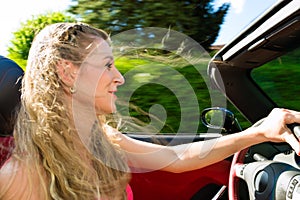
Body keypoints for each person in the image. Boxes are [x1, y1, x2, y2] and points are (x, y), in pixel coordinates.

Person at [0, 22, 300, 200]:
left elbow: (177, 158)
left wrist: (258, 132)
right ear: (67, 72)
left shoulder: (102, 139)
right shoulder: (19, 176)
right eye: (107, 65)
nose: (119, 77)